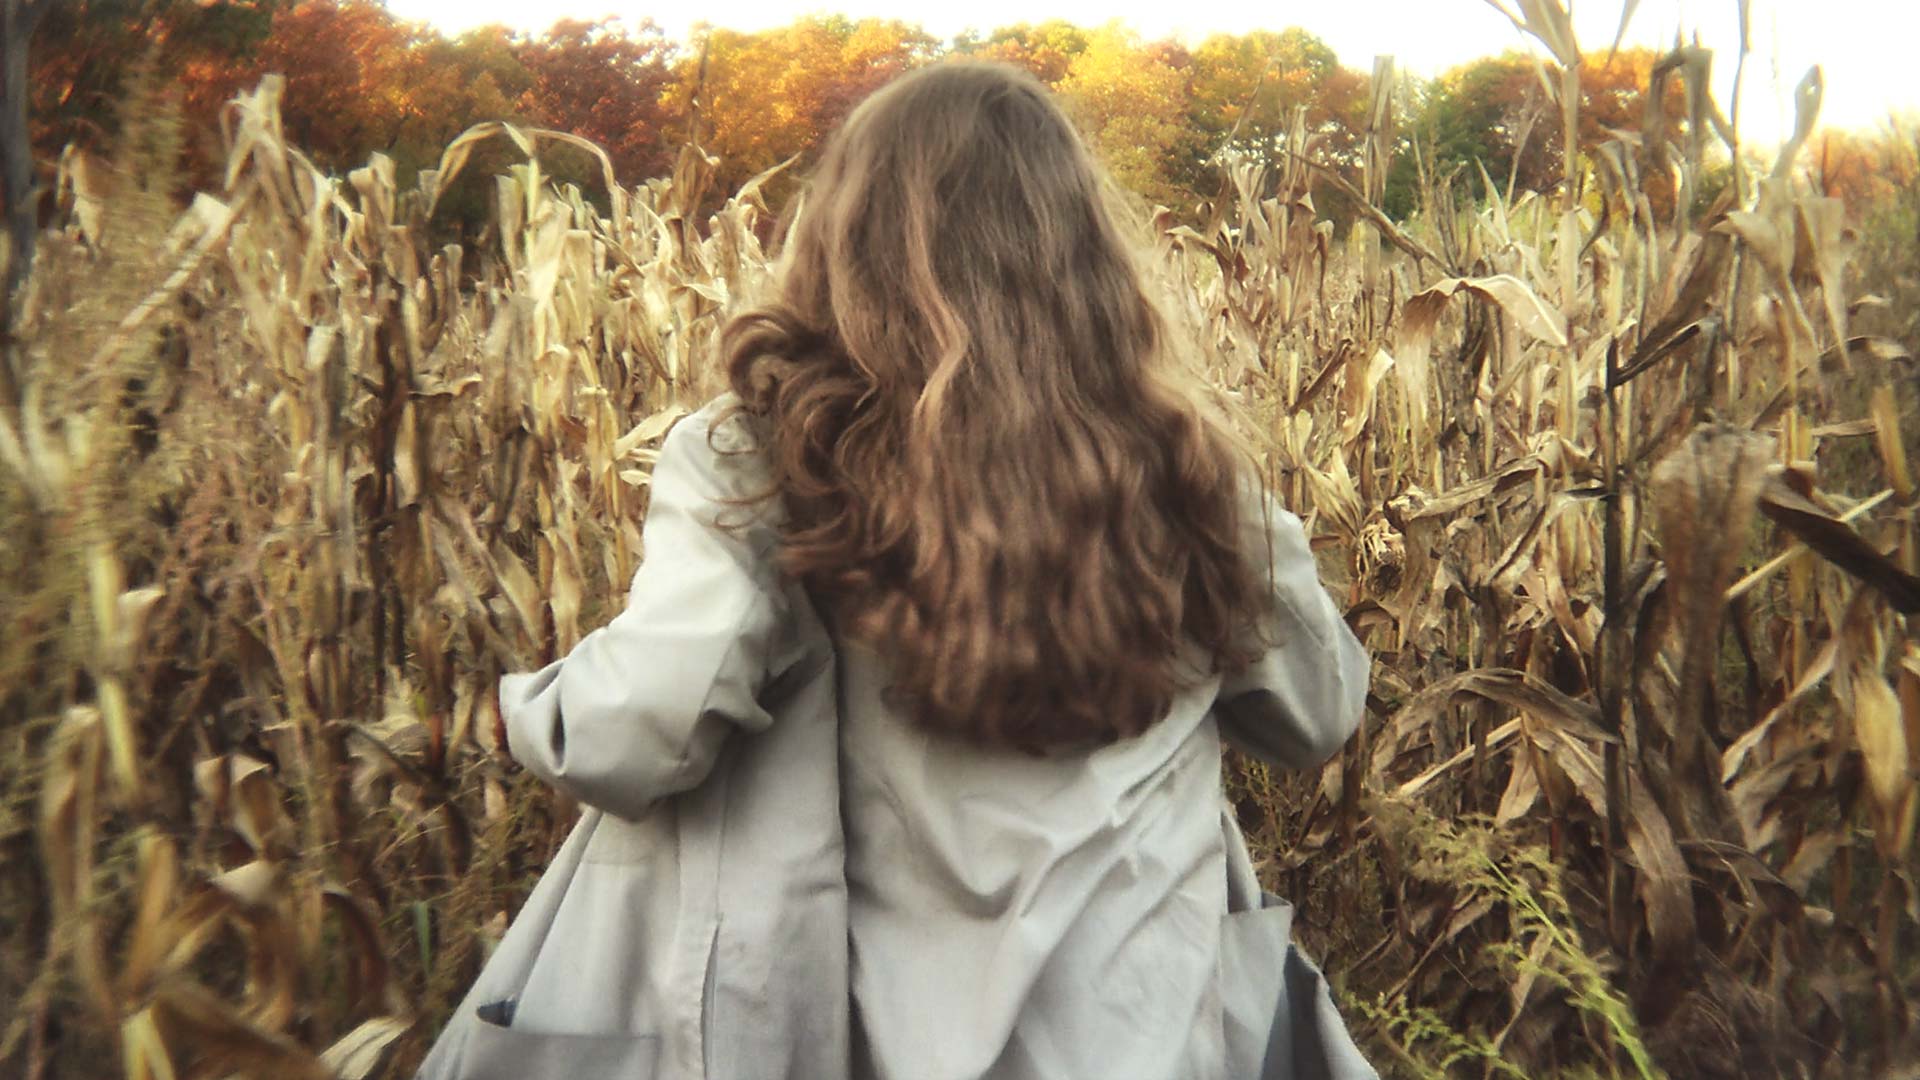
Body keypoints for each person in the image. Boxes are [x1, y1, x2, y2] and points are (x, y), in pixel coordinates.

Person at [419, 60, 1373, 1080]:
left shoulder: (761, 457)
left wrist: (525, 711)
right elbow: (1315, 714)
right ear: (1084, 255)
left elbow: (642, 726)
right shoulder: (1180, 464)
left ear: (844, 237)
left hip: (866, 1037)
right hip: (1143, 1029)